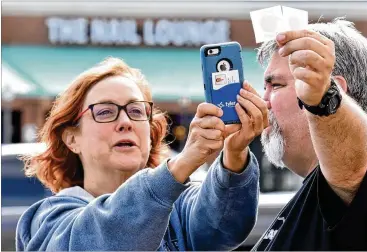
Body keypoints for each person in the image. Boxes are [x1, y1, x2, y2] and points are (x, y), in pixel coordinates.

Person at [16, 57, 269, 251]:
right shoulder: (48, 219)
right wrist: (180, 165)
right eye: (105, 112)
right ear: (72, 138)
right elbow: (99, 238)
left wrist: (234, 152)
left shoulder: (178, 209)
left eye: (136, 111)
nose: (125, 122)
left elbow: (225, 225)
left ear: (150, 133)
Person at [252, 18, 367, 251]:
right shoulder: (317, 191)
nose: (263, 101)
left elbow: (353, 163)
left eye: (276, 85)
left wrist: (323, 98)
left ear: (335, 88)